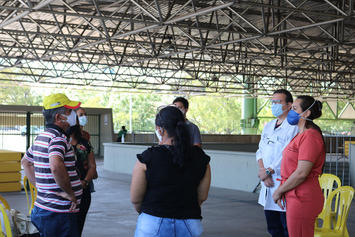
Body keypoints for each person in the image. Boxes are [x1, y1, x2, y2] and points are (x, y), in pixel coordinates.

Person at [130, 106, 211, 237]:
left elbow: (135, 199)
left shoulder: (147, 158)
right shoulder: (201, 158)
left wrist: (148, 212)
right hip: (190, 223)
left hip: (152, 222)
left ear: (160, 129)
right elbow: (202, 197)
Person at [21, 93, 83, 237]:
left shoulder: (42, 137)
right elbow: (56, 166)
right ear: (59, 117)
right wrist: (70, 193)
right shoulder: (58, 138)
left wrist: (41, 188)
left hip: (44, 209)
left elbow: (26, 162)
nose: (73, 114)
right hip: (59, 215)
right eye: (69, 111)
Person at [273, 96, 325, 237]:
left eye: (295, 108)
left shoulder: (310, 136)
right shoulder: (300, 135)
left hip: (302, 196)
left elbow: (302, 173)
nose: (291, 111)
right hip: (295, 193)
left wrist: (279, 191)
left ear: (306, 113)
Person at [256, 89, 299, 237]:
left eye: (278, 102)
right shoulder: (269, 125)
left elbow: (286, 154)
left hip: (282, 180)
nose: (274, 105)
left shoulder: (293, 127)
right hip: (267, 182)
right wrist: (263, 171)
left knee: (286, 227)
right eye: (272, 101)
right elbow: (260, 150)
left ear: (289, 105)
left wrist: (269, 171)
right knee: (273, 228)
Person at [68, 121, 98, 236]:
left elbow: (92, 166)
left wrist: (85, 182)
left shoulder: (84, 143)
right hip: (65, 191)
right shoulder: (59, 141)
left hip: (83, 190)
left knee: (78, 226)